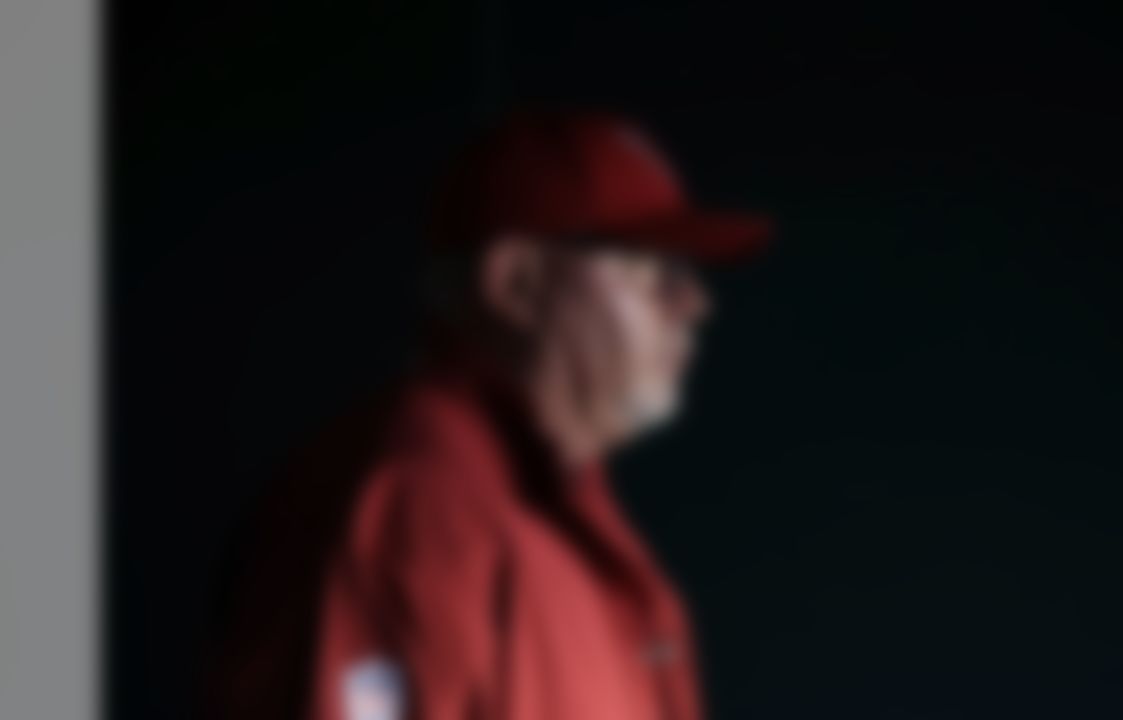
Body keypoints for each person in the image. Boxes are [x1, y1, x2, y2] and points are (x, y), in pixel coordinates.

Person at [204, 108, 771, 720]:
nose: (693, 302)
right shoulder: (417, 506)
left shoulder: (566, 516)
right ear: (517, 284)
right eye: (647, 266)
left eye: (685, 273)